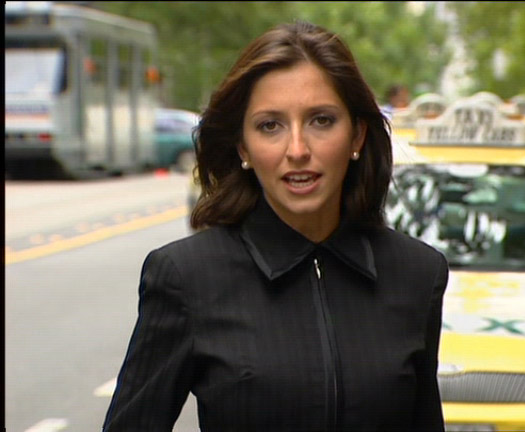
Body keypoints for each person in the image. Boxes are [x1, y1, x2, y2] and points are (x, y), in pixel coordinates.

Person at [102, 20, 449, 431]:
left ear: (357, 136)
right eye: (270, 125)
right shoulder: (186, 277)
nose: (297, 149)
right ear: (243, 147)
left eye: (321, 120)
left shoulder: (417, 273)